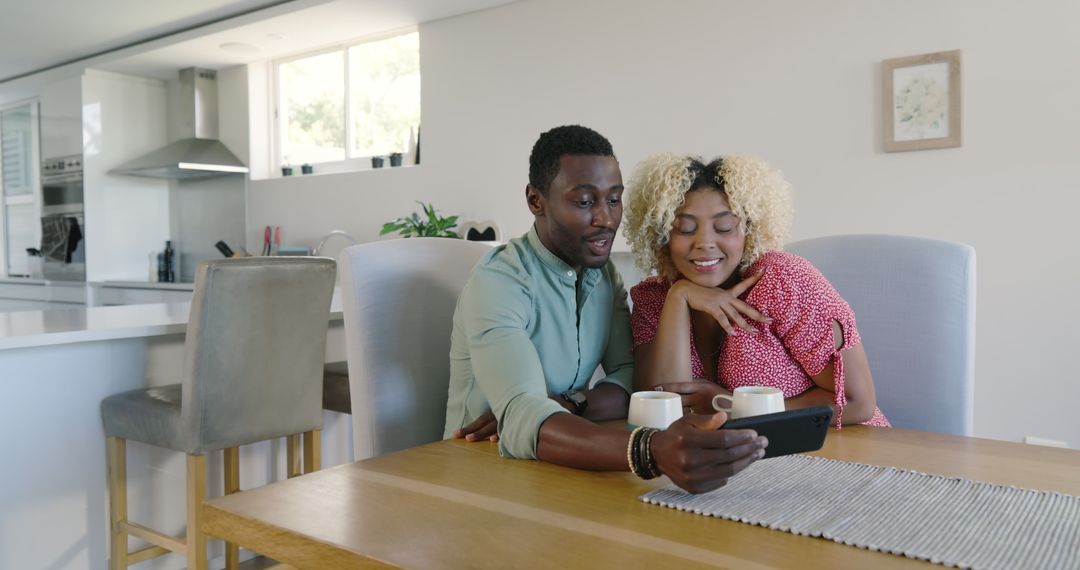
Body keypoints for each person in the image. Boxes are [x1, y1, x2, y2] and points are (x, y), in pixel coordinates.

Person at [443, 126, 768, 493]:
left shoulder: (603, 275)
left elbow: (629, 379)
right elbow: (523, 416)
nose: (607, 219)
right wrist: (650, 450)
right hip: (477, 471)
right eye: (585, 202)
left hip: (562, 469)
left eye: (614, 200)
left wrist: (568, 404)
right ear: (536, 201)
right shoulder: (500, 280)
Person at [622, 153, 889, 427]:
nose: (705, 242)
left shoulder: (781, 280)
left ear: (748, 231)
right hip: (744, 453)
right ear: (661, 235)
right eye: (685, 228)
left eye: (724, 227)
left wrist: (732, 407)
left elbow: (857, 403)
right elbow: (662, 411)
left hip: (847, 443)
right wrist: (680, 296)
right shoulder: (656, 298)